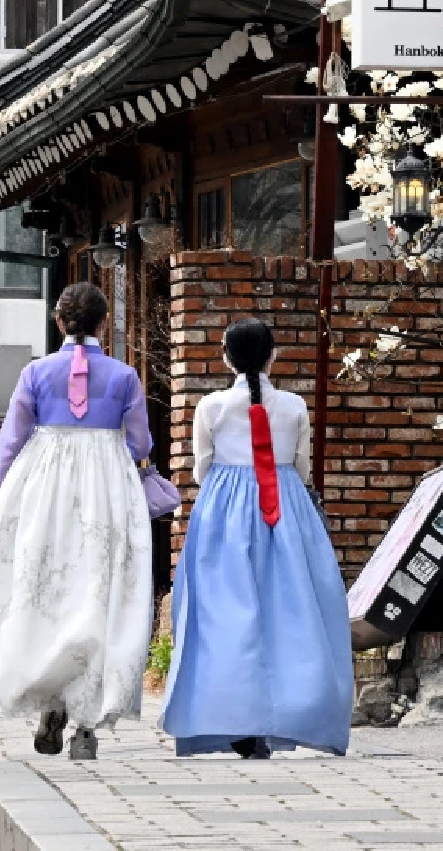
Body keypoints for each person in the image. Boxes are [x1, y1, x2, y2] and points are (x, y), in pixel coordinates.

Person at [0, 282, 153, 762]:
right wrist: (113, 451)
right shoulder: (124, 377)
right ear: (102, 323)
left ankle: (50, 698)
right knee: (96, 592)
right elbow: (140, 443)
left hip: (42, 488)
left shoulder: (35, 373)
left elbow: (9, 444)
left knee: (45, 592)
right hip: (105, 491)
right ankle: (86, 718)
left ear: (59, 322)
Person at [161, 316, 351, 758]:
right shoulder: (294, 405)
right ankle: (292, 713)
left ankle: (231, 716)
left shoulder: (210, 406)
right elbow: (302, 467)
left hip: (223, 511)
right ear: (273, 355)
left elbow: (201, 467)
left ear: (225, 358)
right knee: (293, 610)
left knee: (224, 615)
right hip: (285, 507)